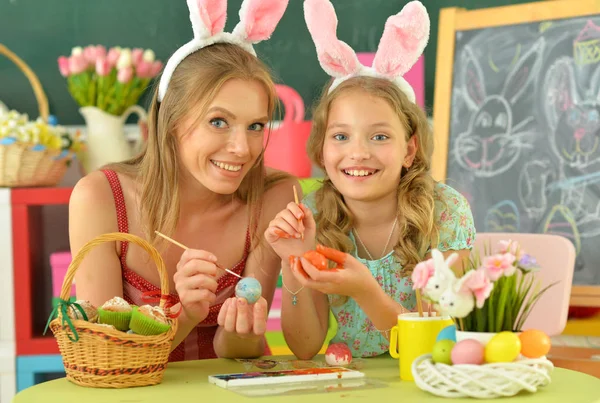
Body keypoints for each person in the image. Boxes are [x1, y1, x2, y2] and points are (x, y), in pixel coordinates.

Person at [69, 0, 296, 361]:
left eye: (255, 126)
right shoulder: (101, 198)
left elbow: (240, 351)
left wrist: (243, 330)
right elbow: (107, 356)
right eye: (218, 121)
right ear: (171, 121)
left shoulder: (274, 195)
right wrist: (187, 316)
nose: (241, 148)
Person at [265, 0, 475, 360]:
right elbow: (303, 347)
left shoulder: (444, 212)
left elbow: (438, 344)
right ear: (321, 150)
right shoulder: (314, 215)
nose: (358, 153)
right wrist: (295, 262)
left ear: (409, 150)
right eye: (341, 136)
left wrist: (367, 291)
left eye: (379, 137)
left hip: (427, 379)